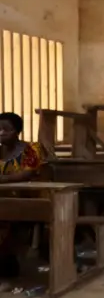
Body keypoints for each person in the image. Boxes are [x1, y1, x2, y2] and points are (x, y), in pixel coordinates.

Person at [0, 112, 46, 284]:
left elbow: (27, 174)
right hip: (4, 200)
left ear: (17, 131)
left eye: (6, 129)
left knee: (9, 225)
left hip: (29, 200)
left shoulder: (31, 149)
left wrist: (3, 179)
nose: (1, 133)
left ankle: (8, 261)